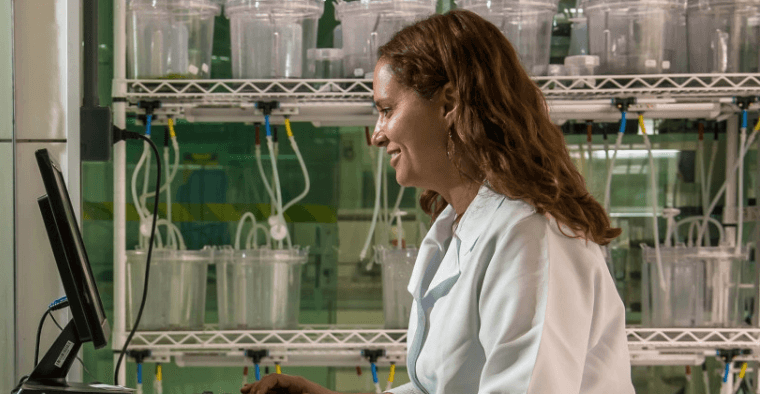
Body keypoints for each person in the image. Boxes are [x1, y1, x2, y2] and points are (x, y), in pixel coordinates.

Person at [241, 10, 633, 394]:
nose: (377, 135)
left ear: (448, 103)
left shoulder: (531, 237)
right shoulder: (456, 231)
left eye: (387, 110)